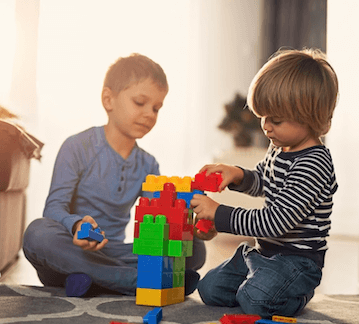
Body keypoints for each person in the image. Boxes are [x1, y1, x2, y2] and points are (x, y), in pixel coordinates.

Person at [23, 53, 205, 297]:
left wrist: (194, 219)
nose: (150, 114)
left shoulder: (148, 164)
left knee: (194, 247)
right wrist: (76, 224)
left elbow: (162, 217)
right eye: (140, 103)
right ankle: (137, 281)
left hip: (114, 252)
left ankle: (96, 280)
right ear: (108, 99)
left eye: (156, 108)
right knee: (37, 233)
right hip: (72, 250)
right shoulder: (77, 146)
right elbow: (54, 208)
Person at [191, 48, 339, 318]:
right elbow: (262, 181)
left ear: (311, 117)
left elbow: (273, 222)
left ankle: (296, 293)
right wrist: (237, 174)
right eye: (262, 117)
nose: (265, 127)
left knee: (254, 301)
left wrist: (219, 213)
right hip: (263, 254)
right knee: (209, 288)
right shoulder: (280, 147)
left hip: (297, 263)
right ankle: (260, 283)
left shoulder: (313, 164)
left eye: (276, 120)